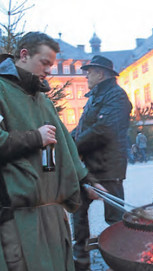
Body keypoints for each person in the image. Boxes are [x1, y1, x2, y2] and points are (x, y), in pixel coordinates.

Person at [0, 32, 100, 271]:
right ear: (24, 55)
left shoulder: (43, 101)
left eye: (52, 65)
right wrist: (36, 137)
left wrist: (86, 179)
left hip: (52, 217)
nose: (49, 71)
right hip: (17, 220)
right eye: (44, 63)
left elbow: (65, 144)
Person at [71, 55, 132, 270]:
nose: (86, 74)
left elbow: (104, 130)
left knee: (115, 220)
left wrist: (73, 146)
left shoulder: (117, 96)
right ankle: (81, 263)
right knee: (78, 219)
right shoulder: (95, 97)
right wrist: (66, 140)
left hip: (108, 168)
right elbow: (82, 128)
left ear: (102, 73)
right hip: (87, 169)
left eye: (90, 71)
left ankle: (123, 260)